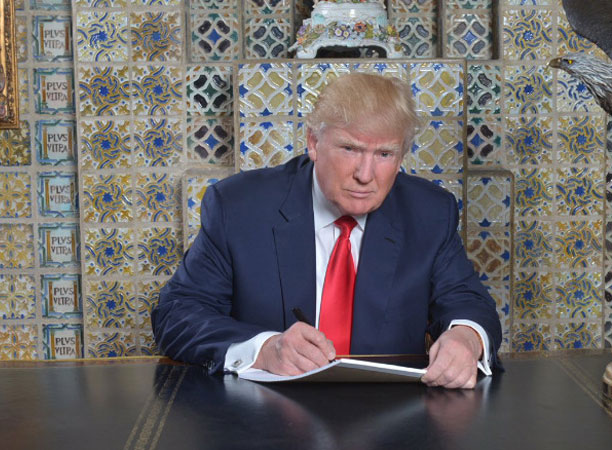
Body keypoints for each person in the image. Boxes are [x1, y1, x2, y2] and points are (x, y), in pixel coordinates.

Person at [152, 73, 502, 389]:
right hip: (261, 414)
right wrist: (263, 349)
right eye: (350, 149)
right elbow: (177, 314)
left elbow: (467, 302)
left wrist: (467, 337)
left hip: (389, 416)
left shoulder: (429, 213)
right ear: (313, 143)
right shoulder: (238, 206)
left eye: (384, 154)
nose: (365, 175)